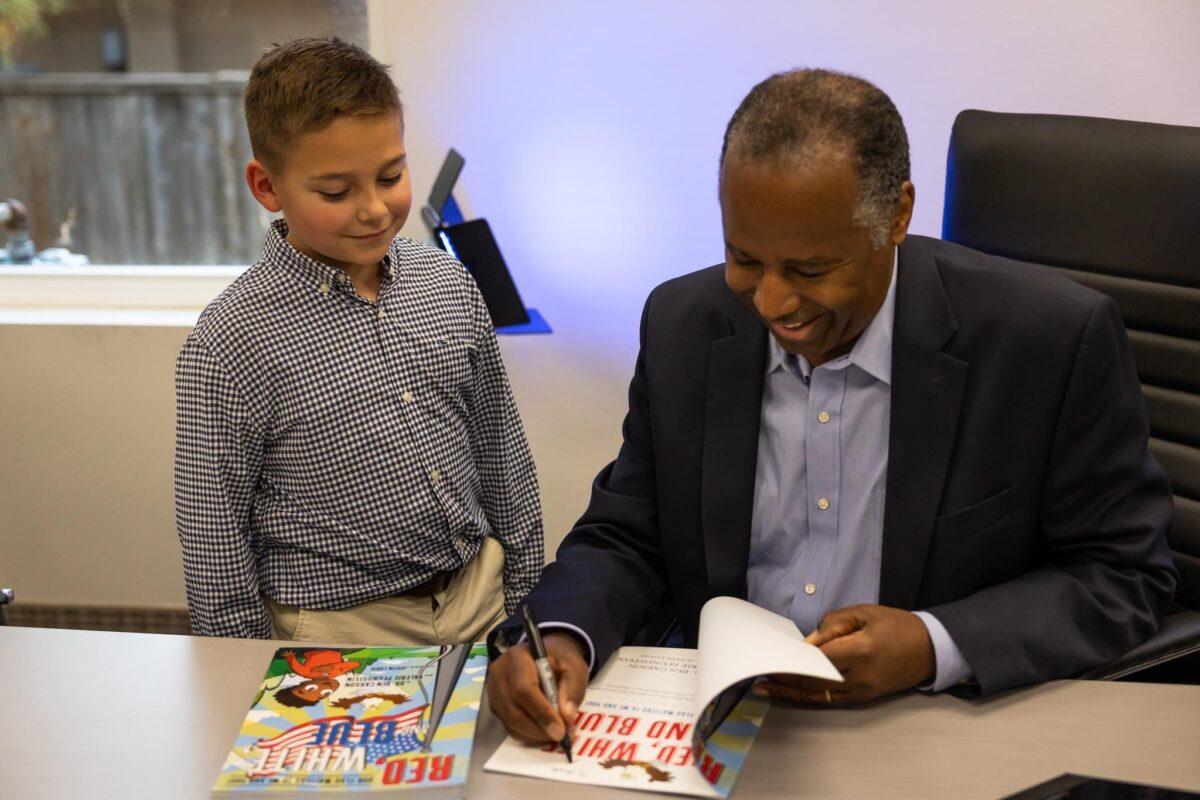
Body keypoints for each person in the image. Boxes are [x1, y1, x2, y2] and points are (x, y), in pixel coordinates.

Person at [486, 69, 1177, 744]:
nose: (770, 302)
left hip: (930, 725)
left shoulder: (1048, 342)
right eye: (744, 258)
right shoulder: (684, 324)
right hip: (724, 724)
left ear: (897, 215)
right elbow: (628, 533)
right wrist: (559, 638)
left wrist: (931, 644)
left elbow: (1123, 575)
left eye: (811, 270)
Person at [175, 37, 542, 646]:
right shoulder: (230, 342)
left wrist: (529, 600)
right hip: (339, 629)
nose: (374, 209)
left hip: (480, 598)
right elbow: (213, 534)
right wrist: (240, 669)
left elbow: (501, 450)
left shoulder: (448, 282)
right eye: (336, 192)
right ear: (267, 187)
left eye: (391, 176)